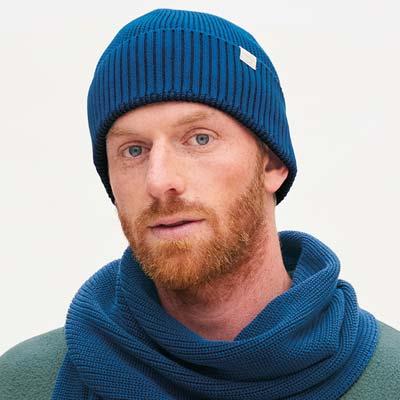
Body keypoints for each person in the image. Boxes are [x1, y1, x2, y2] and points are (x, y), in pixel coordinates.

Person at [1, 7, 399, 400]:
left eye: (199, 139)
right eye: (134, 150)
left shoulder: (389, 377)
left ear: (272, 163)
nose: (160, 181)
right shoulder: (24, 383)